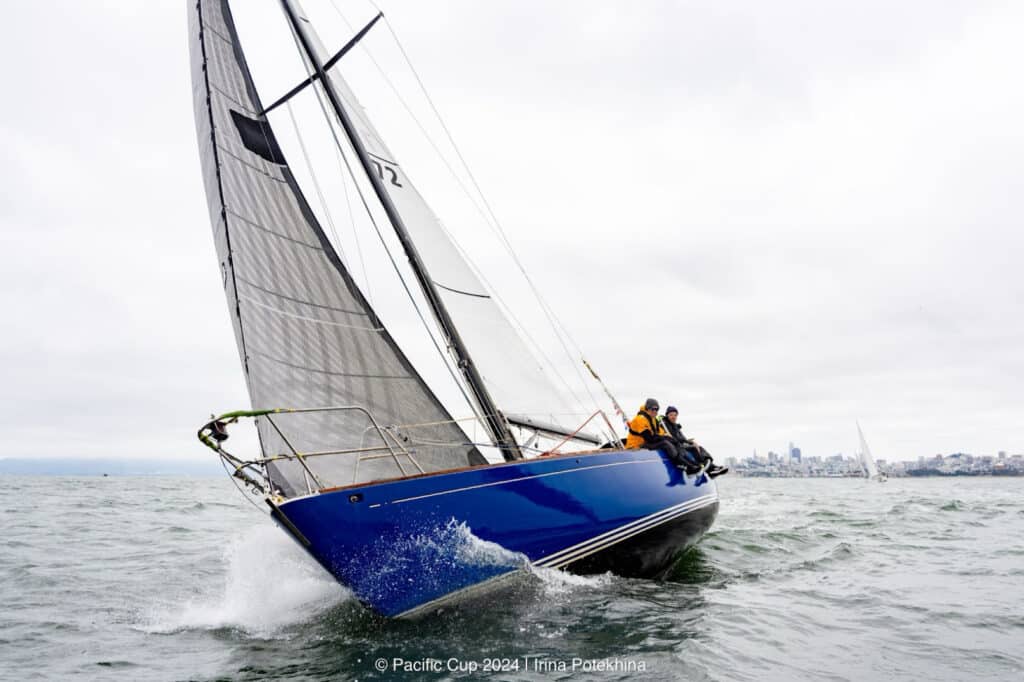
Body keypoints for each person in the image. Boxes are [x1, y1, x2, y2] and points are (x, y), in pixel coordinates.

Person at [661, 406, 728, 477]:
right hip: (676, 447)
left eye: (675, 415)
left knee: (699, 448)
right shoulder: (665, 425)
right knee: (693, 449)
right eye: (671, 415)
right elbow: (674, 438)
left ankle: (712, 467)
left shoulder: (675, 426)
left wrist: (690, 442)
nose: (673, 417)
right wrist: (689, 442)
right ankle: (710, 469)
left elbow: (682, 438)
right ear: (667, 415)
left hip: (681, 445)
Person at [625, 398, 686, 468]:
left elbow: (660, 432)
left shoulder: (653, 418)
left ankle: (686, 463)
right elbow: (649, 438)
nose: (655, 411)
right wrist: (664, 438)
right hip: (636, 445)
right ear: (647, 408)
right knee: (665, 443)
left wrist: (668, 436)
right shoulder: (640, 419)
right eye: (653, 409)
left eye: (657, 409)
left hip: (646, 443)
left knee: (673, 441)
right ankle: (678, 463)